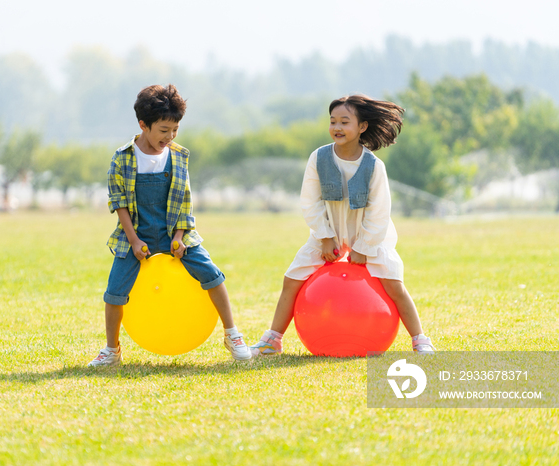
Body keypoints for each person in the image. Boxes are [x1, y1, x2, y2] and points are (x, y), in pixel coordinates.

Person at [249, 95, 435, 356]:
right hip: (329, 231)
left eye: (345, 122)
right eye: (333, 121)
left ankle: (420, 339)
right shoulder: (319, 157)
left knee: (394, 284)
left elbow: (379, 211)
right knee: (291, 279)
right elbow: (309, 201)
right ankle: (273, 339)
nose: (337, 127)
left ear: (362, 127)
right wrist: (325, 236)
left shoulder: (374, 166)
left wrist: (364, 246)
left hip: (368, 234)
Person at [89, 84, 251, 367]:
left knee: (213, 275)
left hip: (174, 232)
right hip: (136, 235)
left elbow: (184, 201)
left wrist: (178, 236)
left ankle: (232, 334)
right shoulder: (123, 158)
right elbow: (119, 203)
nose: (170, 136)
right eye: (164, 130)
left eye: (175, 129)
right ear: (143, 124)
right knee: (115, 292)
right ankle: (111, 350)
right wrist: (135, 240)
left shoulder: (178, 156)